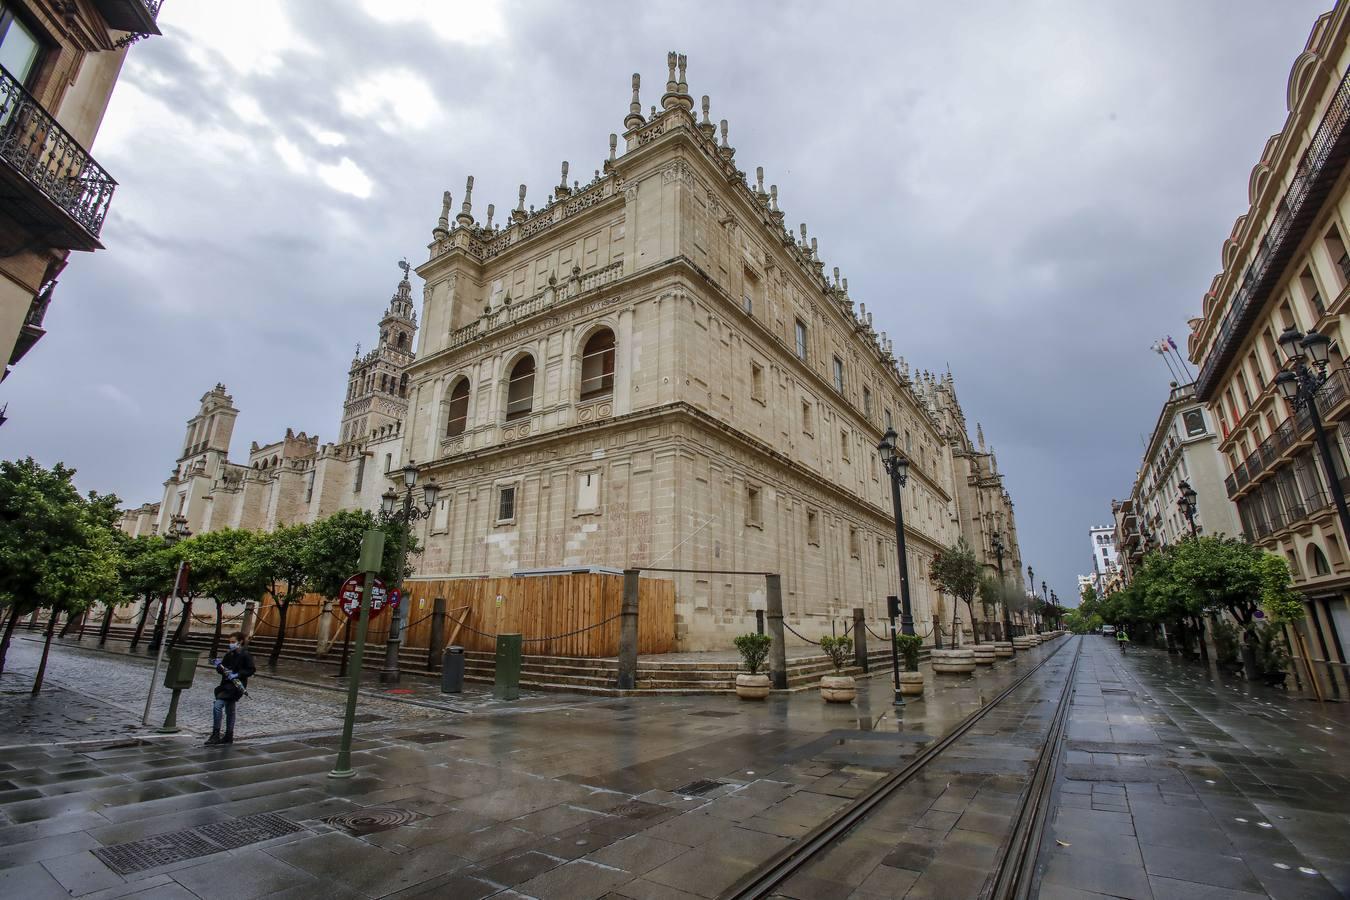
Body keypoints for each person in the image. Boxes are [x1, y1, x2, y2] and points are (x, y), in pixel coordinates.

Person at [206, 632, 254, 745]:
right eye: (230, 642)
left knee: (218, 706)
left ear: (240, 641)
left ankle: (216, 734)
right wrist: (219, 666)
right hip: (225, 685)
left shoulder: (245, 655)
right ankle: (228, 735)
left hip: (236, 686)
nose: (231, 644)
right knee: (230, 710)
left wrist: (237, 674)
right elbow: (223, 668)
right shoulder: (229, 654)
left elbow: (251, 669)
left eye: (233, 642)